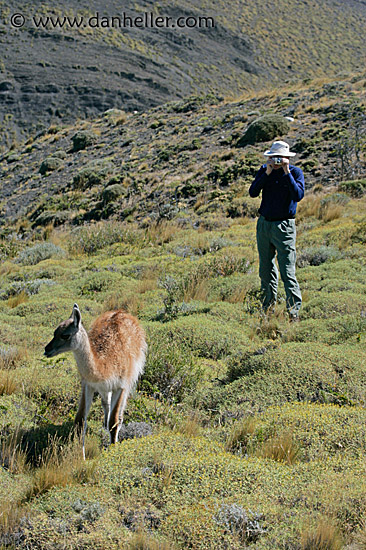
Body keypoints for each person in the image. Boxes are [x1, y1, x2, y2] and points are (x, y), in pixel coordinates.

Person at [249, 140, 304, 321]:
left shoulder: (295, 172)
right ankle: (267, 308)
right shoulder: (266, 171)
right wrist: (267, 172)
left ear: (288, 158)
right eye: (274, 157)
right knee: (266, 269)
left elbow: (298, 195)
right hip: (265, 224)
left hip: (284, 227)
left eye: (281, 158)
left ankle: (293, 313)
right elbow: (253, 192)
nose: (277, 161)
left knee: (287, 271)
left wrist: (287, 172)